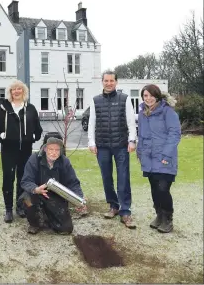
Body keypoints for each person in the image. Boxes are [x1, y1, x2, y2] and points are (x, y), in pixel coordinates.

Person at [88, 70, 137, 229]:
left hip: (121, 145)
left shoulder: (125, 99)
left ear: (116, 82)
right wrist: (91, 141)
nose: (109, 83)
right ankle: (113, 206)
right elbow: (92, 123)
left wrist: (132, 140)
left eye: (112, 81)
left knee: (123, 177)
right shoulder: (95, 100)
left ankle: (125, 211)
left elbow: (131, 122)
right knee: (106, 177)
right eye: (106, 81)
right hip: (102, 146)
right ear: (102, 82)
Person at [0, 80, 43, 223]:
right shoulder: (4, 109)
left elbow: (38, 128)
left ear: (23, 91)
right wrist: (2, 136)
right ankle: (8, 209)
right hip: (9, 149)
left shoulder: (31, 108)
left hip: (25, 149)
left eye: (19, 89)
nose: (16, 91)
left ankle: (20, 206)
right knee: (8, 178)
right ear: (10, 92)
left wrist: (33, 137)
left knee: (23, 178)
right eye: (13, 89)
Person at [137, 84, 181, 233]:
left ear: (157, 95)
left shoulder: (167, 112)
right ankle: (159, 216)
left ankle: (168, 219)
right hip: (149, 158)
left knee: (163, 188)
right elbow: (141, 135)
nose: (148, 98)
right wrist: (140, 152)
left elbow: (174, 134)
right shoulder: (143, 113)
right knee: (155, 189)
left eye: (150, 95)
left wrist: (166, 155)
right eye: (145, 96)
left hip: (164, 157)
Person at [20, 136, 86, 235]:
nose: (53, 152)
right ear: (45, 148)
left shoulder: (64, 162)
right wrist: (36, 189)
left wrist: (79, 199)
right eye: (51, 149)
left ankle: (47, 217)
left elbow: (73, 182)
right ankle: (35, 223)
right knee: (26, 199)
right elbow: (26, 181)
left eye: (57, 150)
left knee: (66, 229)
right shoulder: (34, 159)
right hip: (36, 194)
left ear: (60, 151)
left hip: (55, 196)